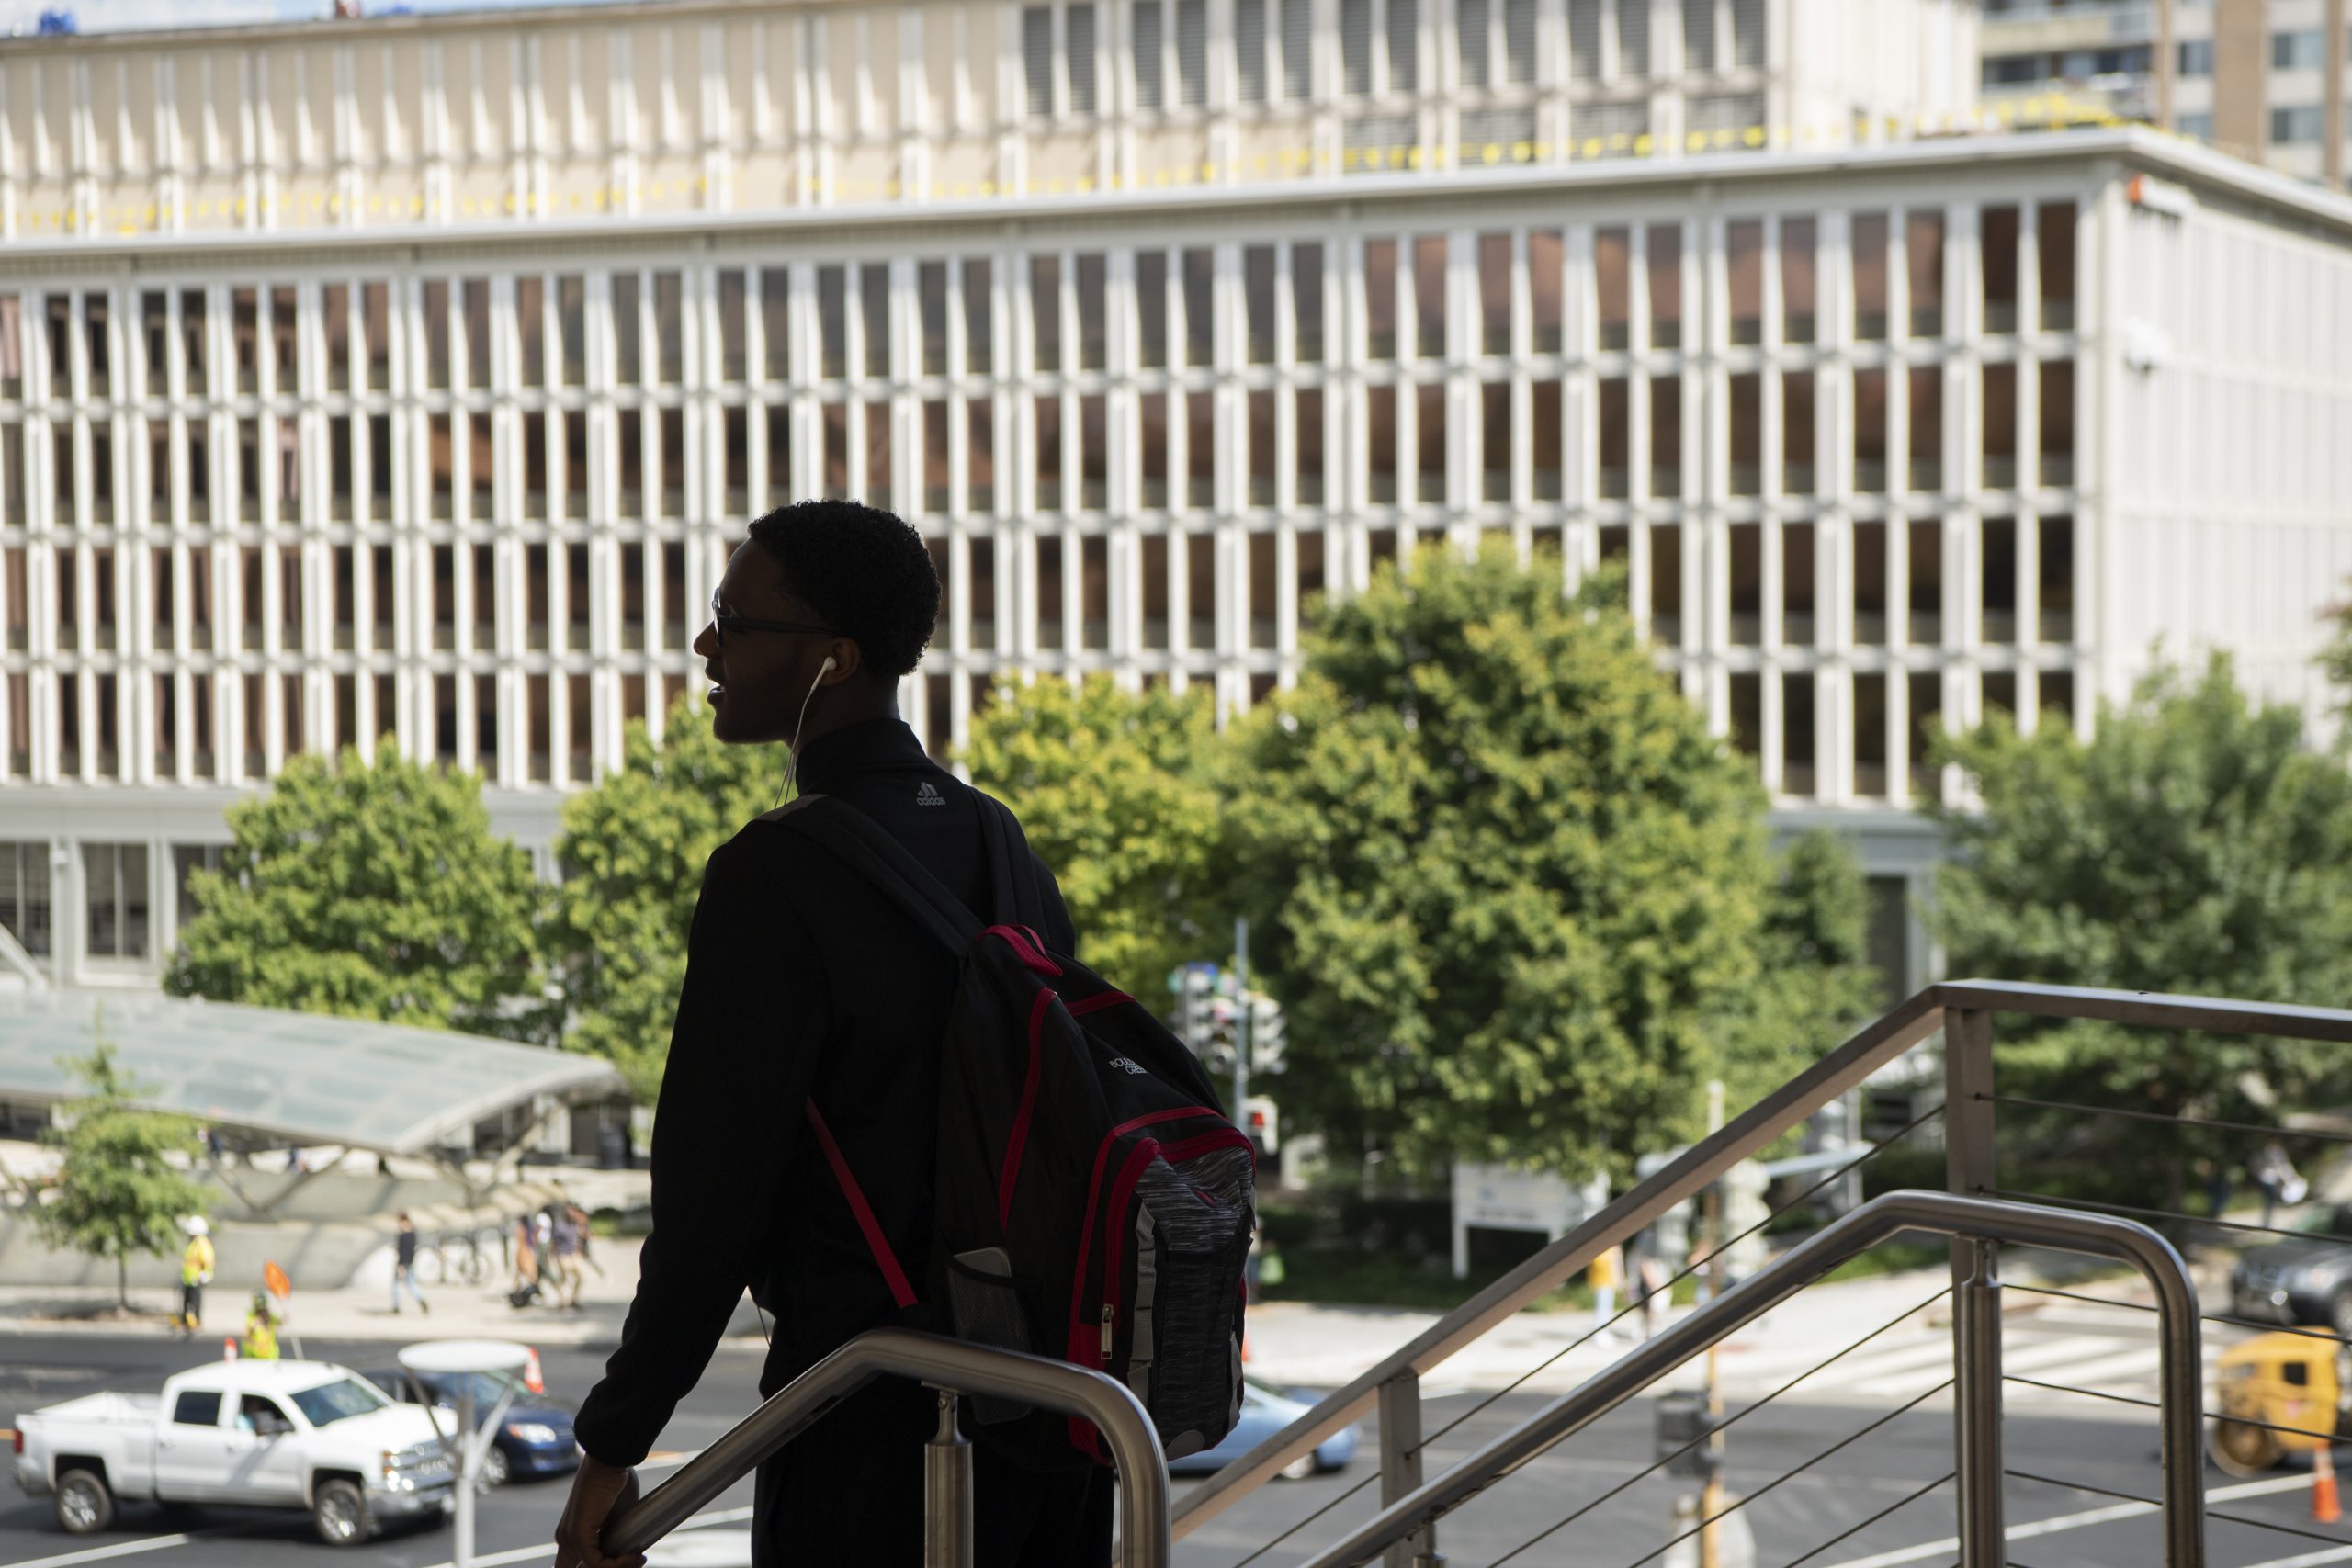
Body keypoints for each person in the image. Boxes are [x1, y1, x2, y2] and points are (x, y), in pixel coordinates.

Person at [556, 502, 1108, 1568]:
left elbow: (711, 1200)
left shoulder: (775, 875)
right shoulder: (1003, 844)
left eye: (732, 619)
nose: (705, 645)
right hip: (1047, 1421)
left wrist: (612, 1448)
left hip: (874, 1426)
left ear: (833, 660)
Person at [2252, 1138, 2306, 1228]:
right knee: (2270, 1201)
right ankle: (2267, 1222)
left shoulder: (2271, 1151)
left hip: (2269, 1180)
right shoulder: (2273, 1151)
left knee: (2270, 1201)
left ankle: (2267, 1222)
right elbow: (2281, 1166)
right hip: (2269, 1180)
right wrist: (2288, 1179)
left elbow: (2283, 1166)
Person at [177, 1217, 214, 1335]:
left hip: (196, 1278)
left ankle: (197, 1322)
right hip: (189, 1278)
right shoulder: (194, 1243)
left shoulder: (201, 1243)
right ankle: (185, 1321)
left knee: (195, 1301)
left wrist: (204, 1275)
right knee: (187, 1301)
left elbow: (207, 1261)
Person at [391, 1213, 429, 1316]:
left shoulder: (402, 1236)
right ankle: (420, 1299)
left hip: (402, 1264)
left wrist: (400, 1265)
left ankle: (397, 1306)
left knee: (395, 1285)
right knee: (411, 1284)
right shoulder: (413, 1235)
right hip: (410, 1263)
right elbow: (412, 1251)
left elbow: (401, 1252)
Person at [1588, 1242, 1623, 1340]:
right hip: (1602, 1282)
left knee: (1607, 1308)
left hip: (1609, 1282)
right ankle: (1599, 1332)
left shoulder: (1612, 1250)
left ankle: (1604, 1331)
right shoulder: (1602, 1250)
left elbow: (1617, 1266)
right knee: (1602, 1308)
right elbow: (1598, 1264)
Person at [243, 1292, 280, 1360]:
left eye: (264, 1310)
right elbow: (246, 1336)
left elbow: (279, 1322)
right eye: (260, 1310)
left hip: (270, 1357)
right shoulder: (253, 1319)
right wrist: (255, 1345)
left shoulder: (270, 1317)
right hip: (255, 1358)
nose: (263, 1313)